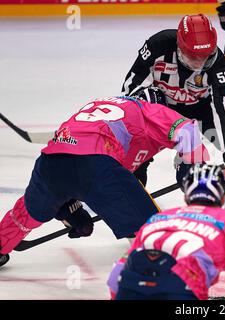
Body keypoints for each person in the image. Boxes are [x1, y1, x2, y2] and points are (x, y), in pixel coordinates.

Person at [0, 87, 208, 268]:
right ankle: (170, 285)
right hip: (95, 165)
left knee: (27, 211)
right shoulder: (149, 108)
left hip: (50, 163)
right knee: (150, 231)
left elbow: (73, 159)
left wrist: (68, 207)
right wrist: (191, 170)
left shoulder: (102, 104)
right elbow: (187, 130)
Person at [121, 14, 225, 223]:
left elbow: (222, 108)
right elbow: (130, 90)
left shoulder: (218, 63)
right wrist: (146, 124)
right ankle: (134, 212)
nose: (200, 62)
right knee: (134, 157)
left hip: (203, 108)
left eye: (205, 56)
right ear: (179, 46)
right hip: (162, 111)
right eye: (193, 56)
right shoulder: (157, 45)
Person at [107, 164, 225, 300]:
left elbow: (117, 274)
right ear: (223, 197)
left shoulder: (158, 219)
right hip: (180, 289)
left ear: (187, 196)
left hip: (130, 286)